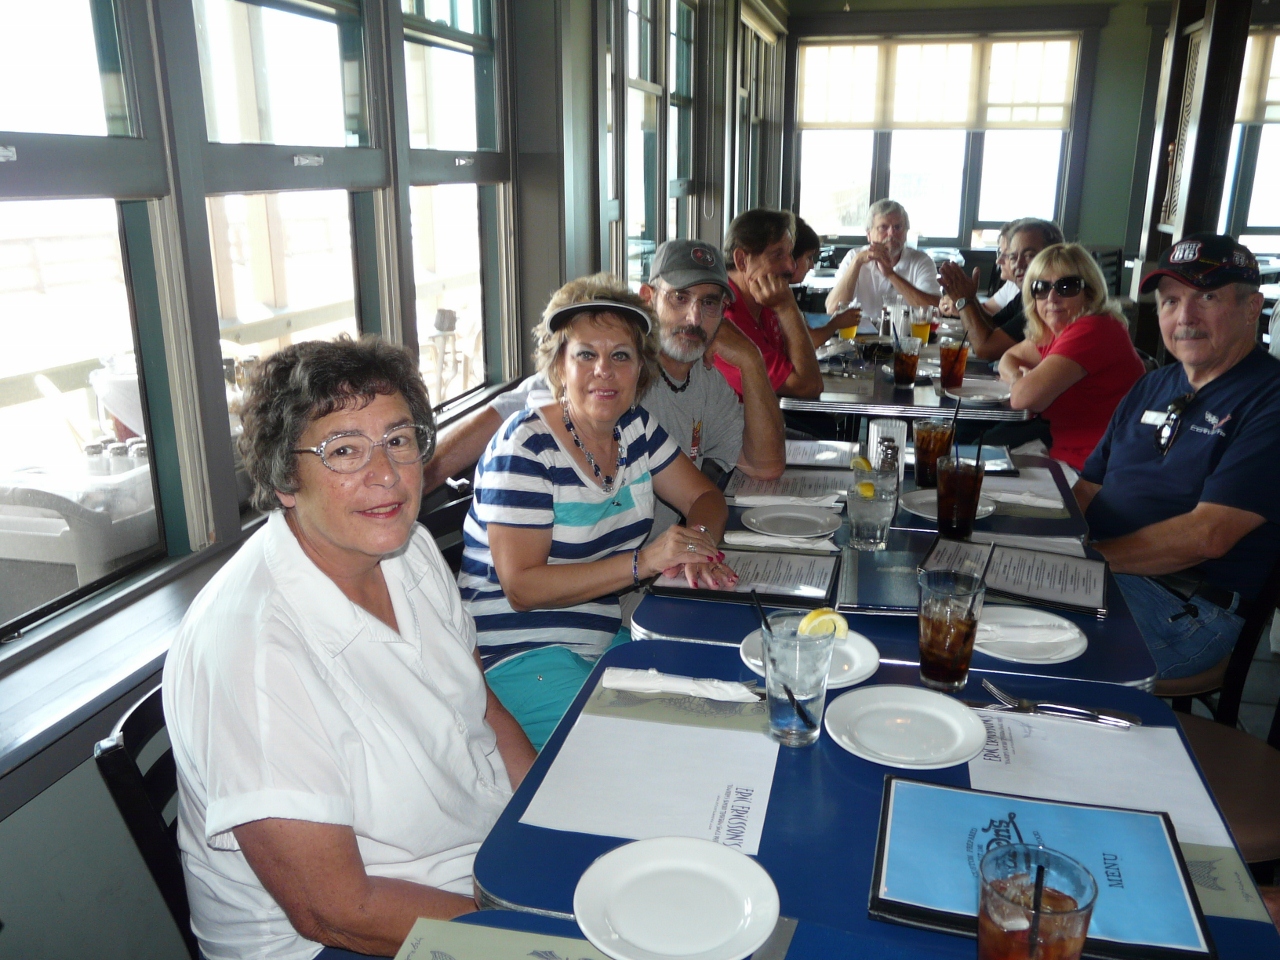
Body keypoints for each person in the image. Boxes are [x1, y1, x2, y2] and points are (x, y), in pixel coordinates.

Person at [163, 337, 536, 960]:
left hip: (472, 870)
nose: (385, 474)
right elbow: (334, 910)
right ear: (285, 479)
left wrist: (543, 827)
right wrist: (528, 934)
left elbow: (483, 709)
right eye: (343, 451)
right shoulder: (255, 650)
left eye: (398, 439)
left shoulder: (404, 546)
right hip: (344, 940)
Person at [459, 275, 732, 748]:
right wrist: (643, 562)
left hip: (602, 646)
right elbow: (522, 587)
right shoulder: (524, 448)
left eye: (620, 356)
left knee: (725, 698)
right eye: (586, 354)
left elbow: (704, 498)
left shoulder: (635, 429)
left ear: (639, 369)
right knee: (662, 747)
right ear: (559, 366)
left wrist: (694, 544)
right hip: (517, 661)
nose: (604, 370)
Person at [423, 239, 786, 538]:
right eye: (680, 297)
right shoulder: (609, 379)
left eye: (709, 304)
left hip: (651, 575)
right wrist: (408, 490)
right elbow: (508, 418)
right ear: (649, 297)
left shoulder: (706, 383)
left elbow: (765, 466)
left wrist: (752, 360)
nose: (694, 318)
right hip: (606, 580)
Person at [1074, 234, 1280, 679]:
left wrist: (1080, 562)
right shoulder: (1154, 384)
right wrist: (1041, 550)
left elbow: (1207, 536)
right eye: (1170, 301)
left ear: (1251, 308)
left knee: (1003, 634)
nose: (1185, 316)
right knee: (962, 591)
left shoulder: (1270, 399)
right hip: (1105, 575)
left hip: (1186, 605)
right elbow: (1088, 489)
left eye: (1207, 297)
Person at [997, 244, 1145, 475]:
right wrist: (1019, 377)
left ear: (1090, 292)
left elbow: (1023, 399)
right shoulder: (1056, 330)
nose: (1052, 298)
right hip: (1067, 457)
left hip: (1098, 471)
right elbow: (1009, 357)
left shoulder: (1093, 329)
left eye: (1066, 286)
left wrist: (1024, 385)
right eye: (1041, 288)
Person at [718, 208, 824, 399]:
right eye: (777, 255)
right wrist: (787, 307)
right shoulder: (725, 317)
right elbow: (808, 386)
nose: (791, 267)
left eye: (790, 254)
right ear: (742, 261)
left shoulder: (764, 302)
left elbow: (803, 368)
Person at [939, 217, 1064, 361]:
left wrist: (964, 301)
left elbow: (986, 349)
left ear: (1053, 256)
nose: (1018, 264)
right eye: (1013, 256)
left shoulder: (1048, 300)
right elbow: (995, 327)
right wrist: (970, 298)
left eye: (1029, 255)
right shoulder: (1028, 293)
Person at [824, 199, 941, 318]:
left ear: (906, 233)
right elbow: (832, 309)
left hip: (908, 335)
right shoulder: (854, 257)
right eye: (883, 227)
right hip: (859, 334)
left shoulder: (921, 261)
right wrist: (857, 263)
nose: (891, 233)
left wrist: (891, 274)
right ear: (869, 234)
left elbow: (934, 308)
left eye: (898, 227)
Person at [791, 216, 859, 346]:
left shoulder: (783, 292)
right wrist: (836, 323)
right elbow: (811, 340)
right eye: (809, 258)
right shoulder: (778, 296)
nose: (811, 265)